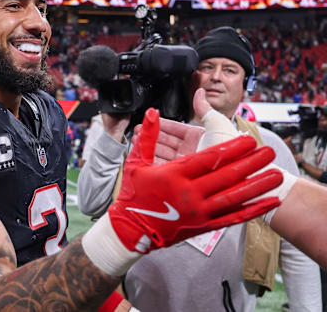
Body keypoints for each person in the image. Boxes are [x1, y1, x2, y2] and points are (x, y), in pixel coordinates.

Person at [0, 0, 284, 312]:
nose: (38, 23)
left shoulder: (46, 113)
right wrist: (129, 226)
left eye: (41, 8)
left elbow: (49, 251)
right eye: (14, 5)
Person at [78, 27, 320, 311]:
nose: (216, 76)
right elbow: (90, 204)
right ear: (190, 76)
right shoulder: (152, 132)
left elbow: (295, 246)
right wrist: (112, 135)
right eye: (207, 67)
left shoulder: (268, 146)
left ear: (247, 85)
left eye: (230, 70)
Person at [291, 107, 327, 183]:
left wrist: (302, 163)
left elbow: (325, 177)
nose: (320, 123)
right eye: (320, 119)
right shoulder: (313, 141)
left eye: (323, 120)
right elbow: (298, 158)